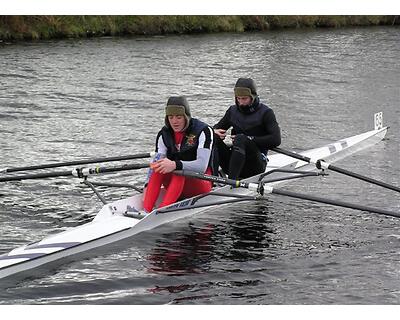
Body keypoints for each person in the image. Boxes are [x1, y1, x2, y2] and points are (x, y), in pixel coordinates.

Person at [142, 96, 215, 213]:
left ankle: (161, 211)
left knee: (178, 172)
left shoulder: (204, 131)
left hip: (202, 182)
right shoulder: (163, 134)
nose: (174, 121)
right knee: (158, 167)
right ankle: (146, 209)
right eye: (170, 117)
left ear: (186, 116)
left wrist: (175, 165)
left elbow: (202, 166)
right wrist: (146, 186)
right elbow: (156, 162)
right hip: (177, 183)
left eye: (179, 117)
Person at [213, 77, 281, 180]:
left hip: (255, 166)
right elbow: (216, 128)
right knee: (212, 136)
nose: (240, 102)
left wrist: (249, 138)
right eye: (238, 98)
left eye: (244, 99)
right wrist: (213, 131)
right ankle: (212, 178)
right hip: (234, 163)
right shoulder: (232, 111)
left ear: (252, 97)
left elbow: (276, 139)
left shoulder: (266, 113)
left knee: (240, 138)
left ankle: (231, 182)